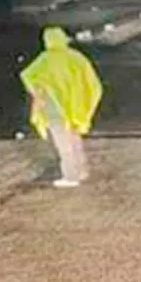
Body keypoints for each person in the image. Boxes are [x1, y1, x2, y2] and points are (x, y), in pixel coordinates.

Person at [20, 27, 104, 188]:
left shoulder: (45, 60)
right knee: (74, 140)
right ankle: (81, 170)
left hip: (55, 111)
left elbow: (27, 76)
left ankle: (71, 176)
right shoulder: (76, 58)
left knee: (64, 145)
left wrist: (38, 90)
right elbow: (93, 83)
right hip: (74, 109)